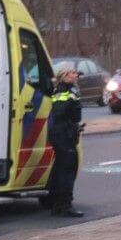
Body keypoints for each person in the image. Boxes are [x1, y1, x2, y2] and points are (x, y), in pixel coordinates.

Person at [46, 61, 84, 218]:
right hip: (65, 136)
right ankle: (65, 205)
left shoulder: (60, 91)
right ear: (65, 75)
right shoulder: (68, 92)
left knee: (60, 169)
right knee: (68, 170)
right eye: (73, 72)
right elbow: (69, 114)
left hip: (60, 133)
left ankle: (57, 204)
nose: (76, 75)